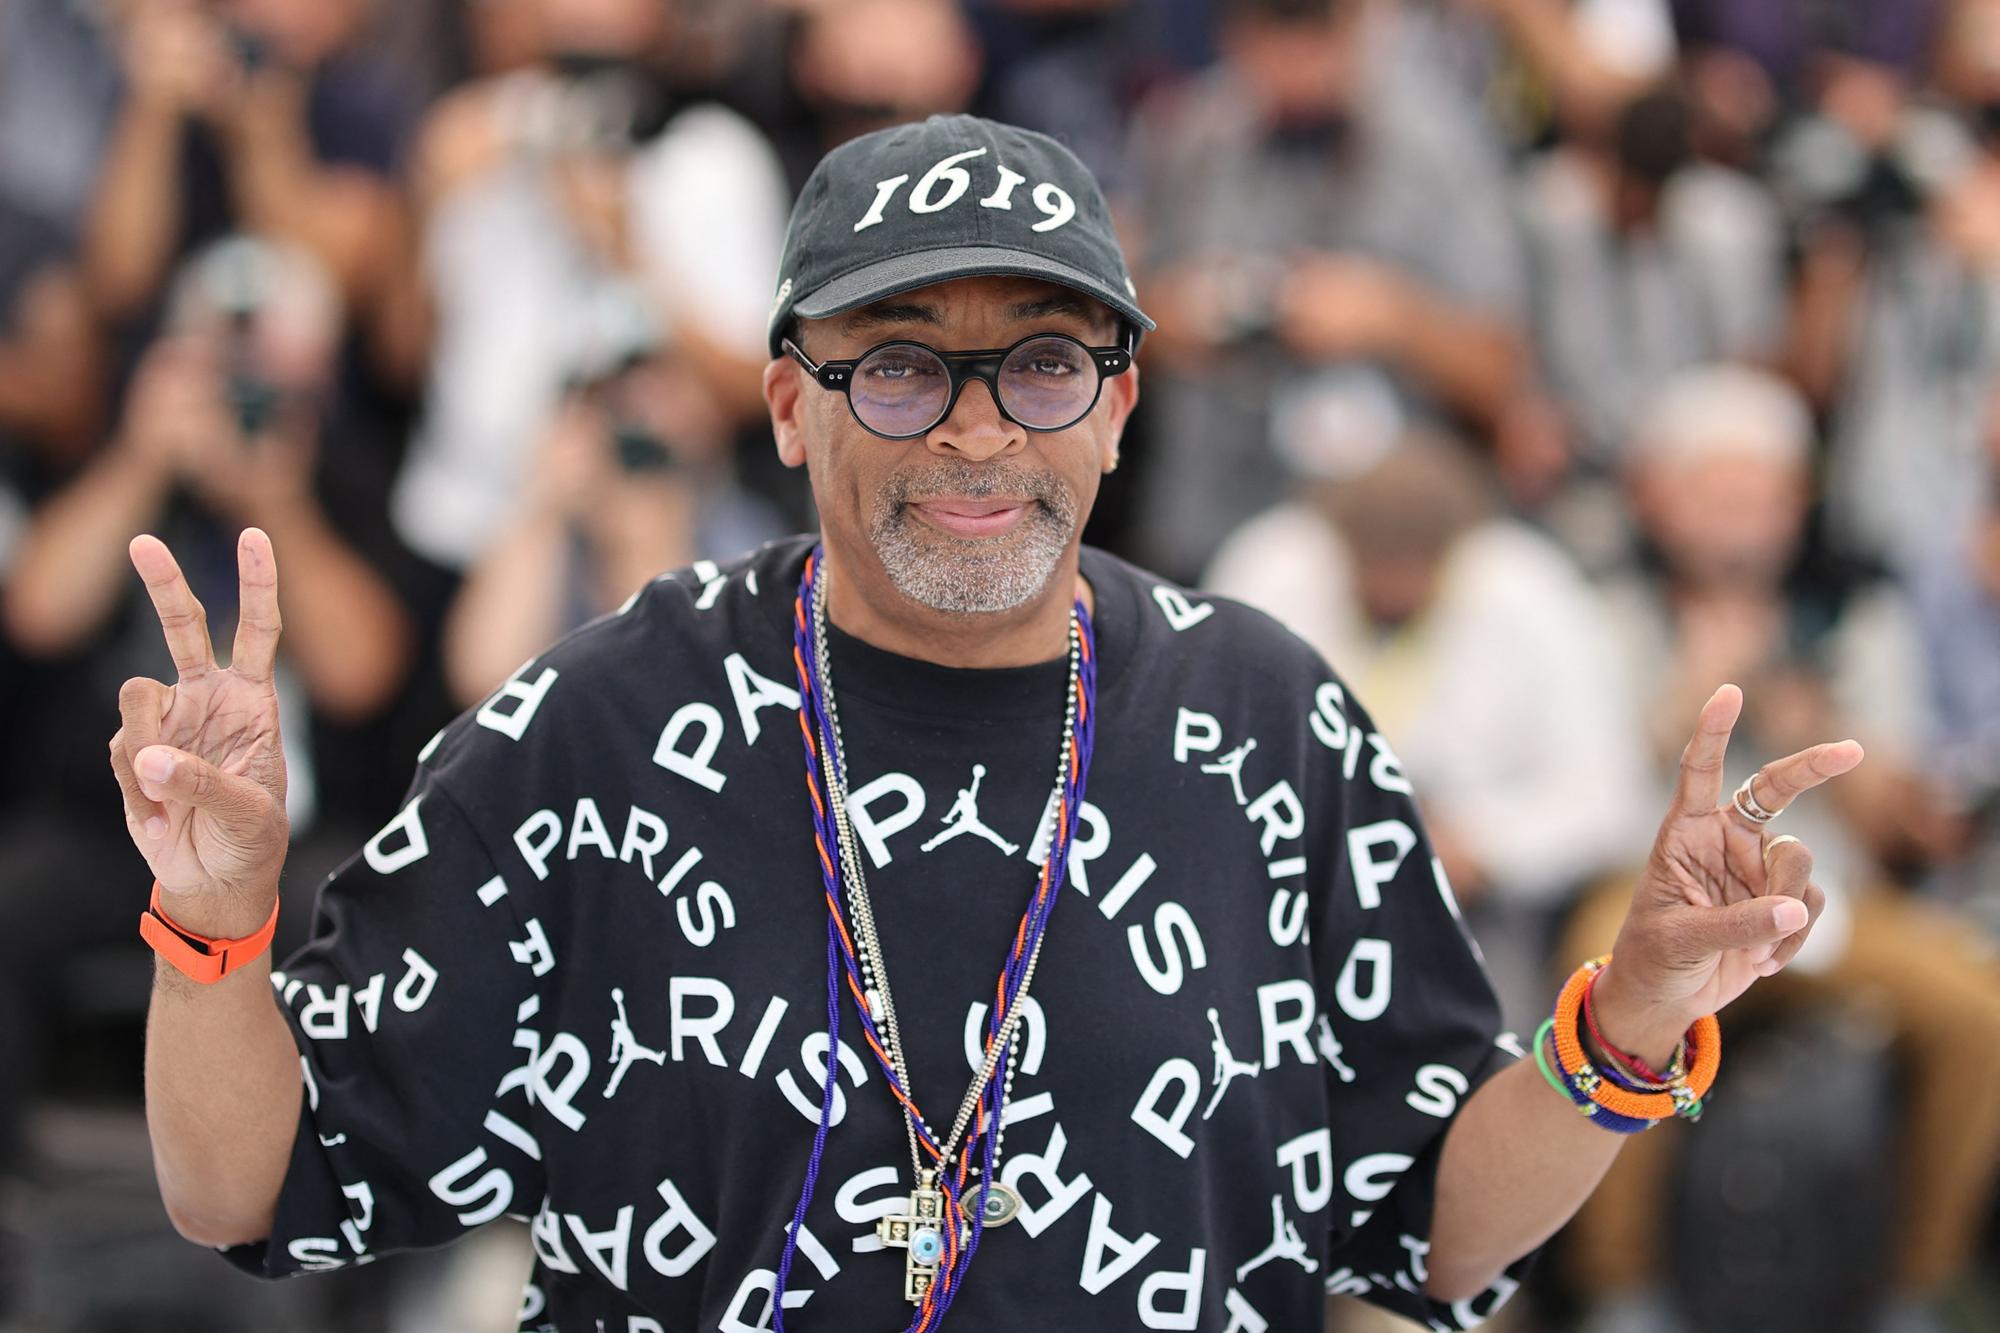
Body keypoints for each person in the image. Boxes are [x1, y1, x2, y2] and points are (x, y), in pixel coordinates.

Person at [114, 116, 1857, 1330]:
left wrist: (1626, 1025)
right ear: (790, 404)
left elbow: (1424, 1225)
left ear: (1119, 407)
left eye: (1040, 361)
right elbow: (249, 1180)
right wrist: (214, 929)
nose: (974, 430)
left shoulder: (1264, 724)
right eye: (898, 360)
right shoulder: (606, 723)